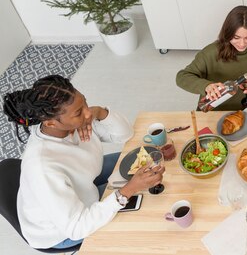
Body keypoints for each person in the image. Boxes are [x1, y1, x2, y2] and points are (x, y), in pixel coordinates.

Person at [2, 75, 164, 250]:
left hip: (84, 180)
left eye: (85, 103)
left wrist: (99, 112)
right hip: (61, 231)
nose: (86, 113)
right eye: (79, 112)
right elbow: (76, 227)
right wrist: (129, 189)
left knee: (142, 158)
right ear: (50, 122)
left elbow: (125, 134)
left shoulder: (70, 123)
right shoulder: (42, 167)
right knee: (139, 205)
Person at [176, 5, 247, 111]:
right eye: (236, 37)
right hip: (216, 109)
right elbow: (182, 76)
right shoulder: (210, 52)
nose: (242, 44)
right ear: (227, 33)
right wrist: (206, 86)